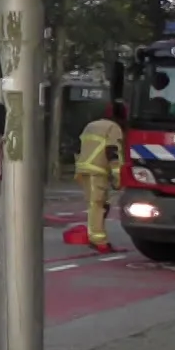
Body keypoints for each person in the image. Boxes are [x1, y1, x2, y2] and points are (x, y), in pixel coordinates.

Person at [76, 105, 125, 253]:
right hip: (97, 171)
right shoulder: (113, 128)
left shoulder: (91, 125)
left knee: (101, 204)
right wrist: (117, 176)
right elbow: (112, 151)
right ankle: (98, 241)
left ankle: (96, 235)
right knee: (97, 205)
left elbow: (77, 147)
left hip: (84, 168)